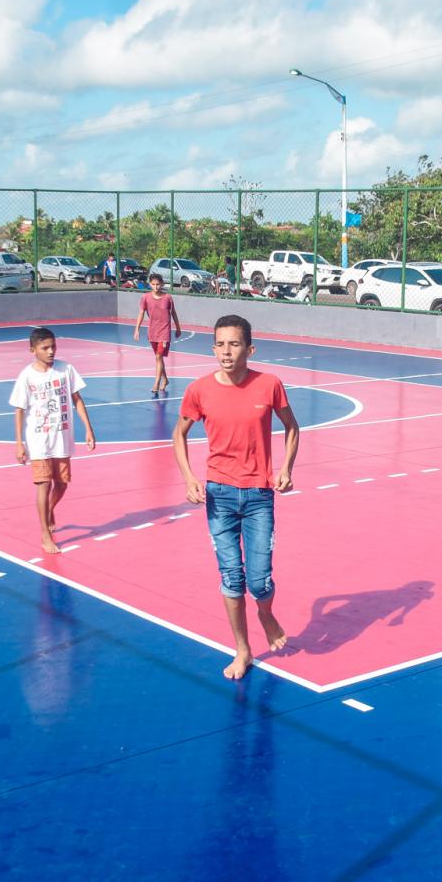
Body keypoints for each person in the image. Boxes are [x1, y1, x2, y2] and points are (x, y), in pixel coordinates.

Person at [172, 314, 301, 681]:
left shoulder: (269, 385)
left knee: (259, 581)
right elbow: (178, 435)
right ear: (212, 348)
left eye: (234, 344)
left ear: (249, 349)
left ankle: (265, 612)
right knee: (232, 578)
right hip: (219, 495)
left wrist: (287, 468)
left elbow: (292, 428)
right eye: (220, 344)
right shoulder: (198, 390)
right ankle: (242, 649)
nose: (226, 351)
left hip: (260, 495)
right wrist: (188, 478)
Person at [11, 326, 96, 554]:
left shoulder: (65, 370)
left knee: (62, 484)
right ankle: (45, 535)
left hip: (62, 437)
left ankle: (48, 510)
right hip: (38, 441)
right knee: (43, 485)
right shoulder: (26, 376)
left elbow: (77, 399)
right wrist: (19, 443)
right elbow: (19, 410)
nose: (51, 352)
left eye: (53, 347)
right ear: (32, 350)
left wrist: (88, 428)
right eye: (45, 348)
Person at [132, 272, 184, 398]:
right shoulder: (145, 297)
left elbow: (174, 313)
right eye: (153, 284)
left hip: (164, 332)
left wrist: (178, 327)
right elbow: (141, 313)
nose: (156, 287)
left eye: (158, 284)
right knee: (158, 357)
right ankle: (165, 379)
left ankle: (156, 383)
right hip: (152, 332)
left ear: (162, 284)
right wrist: (137, 329)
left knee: (158, 357)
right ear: (150, 284)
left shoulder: (168, 298)